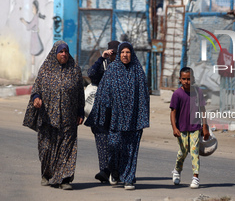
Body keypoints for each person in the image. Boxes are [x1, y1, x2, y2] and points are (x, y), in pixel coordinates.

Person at [85, 41, 149, 190]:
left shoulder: (137, 70)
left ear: (131, 54)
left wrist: (143, 116)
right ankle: (113, 169)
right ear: (119, 54)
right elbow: (103, 91)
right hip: (115, 118)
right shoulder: (112, 69)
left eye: (127, 52)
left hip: (134, 118)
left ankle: (128, 179)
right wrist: (104, 111)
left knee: (131, 149)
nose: (125, 55)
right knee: (114, 144)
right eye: (122, 52)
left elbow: (144, 95)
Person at [23, 40, 85, 190]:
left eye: (66, 51)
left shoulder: (75, 69)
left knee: (67, 148)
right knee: (46, 148)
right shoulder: (45, 69)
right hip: (48, 118)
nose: (64, 54)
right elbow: (36, 88)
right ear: (55, 53)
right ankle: (46, 174)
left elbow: (80, 94)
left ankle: (64, 179)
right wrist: (36, 98)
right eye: (61, 51)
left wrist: (80, 111)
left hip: (68, 118)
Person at [170, 67, 210, 189]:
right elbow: (173, 112)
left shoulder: (198, 92)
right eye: (184, 79)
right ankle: (177, 170)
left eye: (189, 79)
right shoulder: (177, 94)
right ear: (180, 79)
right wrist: (174, 128)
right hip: (181, 128)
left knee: (194, 151)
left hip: (195, 127)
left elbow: (202, 110)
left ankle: (195, 177)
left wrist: (205, 126)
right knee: (183, 151)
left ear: (193, 79)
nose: (186, 81)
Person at [87, 40, 120, 183]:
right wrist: (102, 58)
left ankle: (113, 170)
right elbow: (91, 74)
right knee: (101, 140)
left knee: (115, 142)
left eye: (116, 53)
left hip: (117, 111)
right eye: (112, 53)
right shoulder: (103, 64)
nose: (114, 56)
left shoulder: (125, 67)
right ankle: (104, 171)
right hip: (101, 110)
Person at [20, 0, 46, 79]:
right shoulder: (36, 16)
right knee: (33, 56)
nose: (32, 9)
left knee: (33, 56)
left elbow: (29, 26)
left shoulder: (35, 17)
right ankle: (33, 73)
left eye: (33, 7)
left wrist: (24, 22)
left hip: (34, 38)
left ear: (36, 8)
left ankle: (33, 73)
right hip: (34, 36)